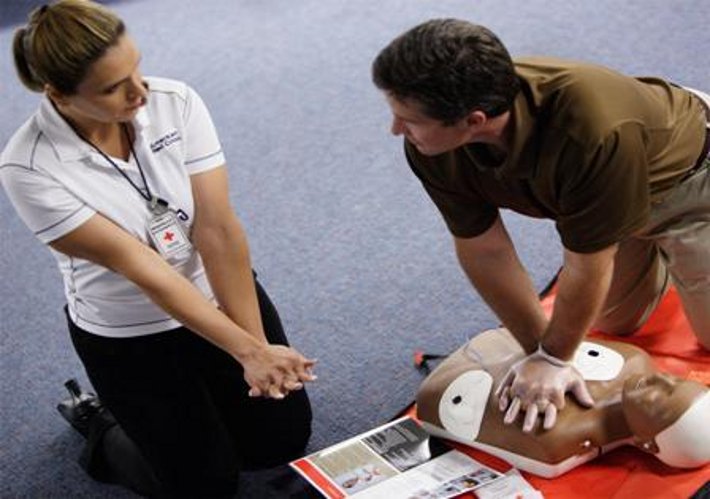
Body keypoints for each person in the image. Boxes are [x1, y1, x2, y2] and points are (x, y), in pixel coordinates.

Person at [1, 1, 316, 496]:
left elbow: (218, 230)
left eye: (137, 67)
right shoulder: (29, 168)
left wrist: (259, 351)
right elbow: (144, 268)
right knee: (204, 485)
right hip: (130, 334)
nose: (139, 91)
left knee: (280, 443)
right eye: (112, 87)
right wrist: (247, 352)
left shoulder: (175, 102)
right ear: (58, 95)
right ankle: (100, 425)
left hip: (216, 298)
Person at [371, 19, 710, 433]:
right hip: (610, 193)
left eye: (408, 120)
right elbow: (484, 248)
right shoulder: (432, 145)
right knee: (612, 326)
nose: (396, 130)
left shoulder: (592, 130)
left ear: (474, 120)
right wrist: (540, 353)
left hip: (691, 184)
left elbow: (588, 263)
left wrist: (555, 357)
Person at [416, 327, 710, 477]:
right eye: (677, 381)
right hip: (501, 342)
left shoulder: (558, 439)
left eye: (661, 398)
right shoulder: (636, 360)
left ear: (649, 444)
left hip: (456, 386)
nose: (662, 379)